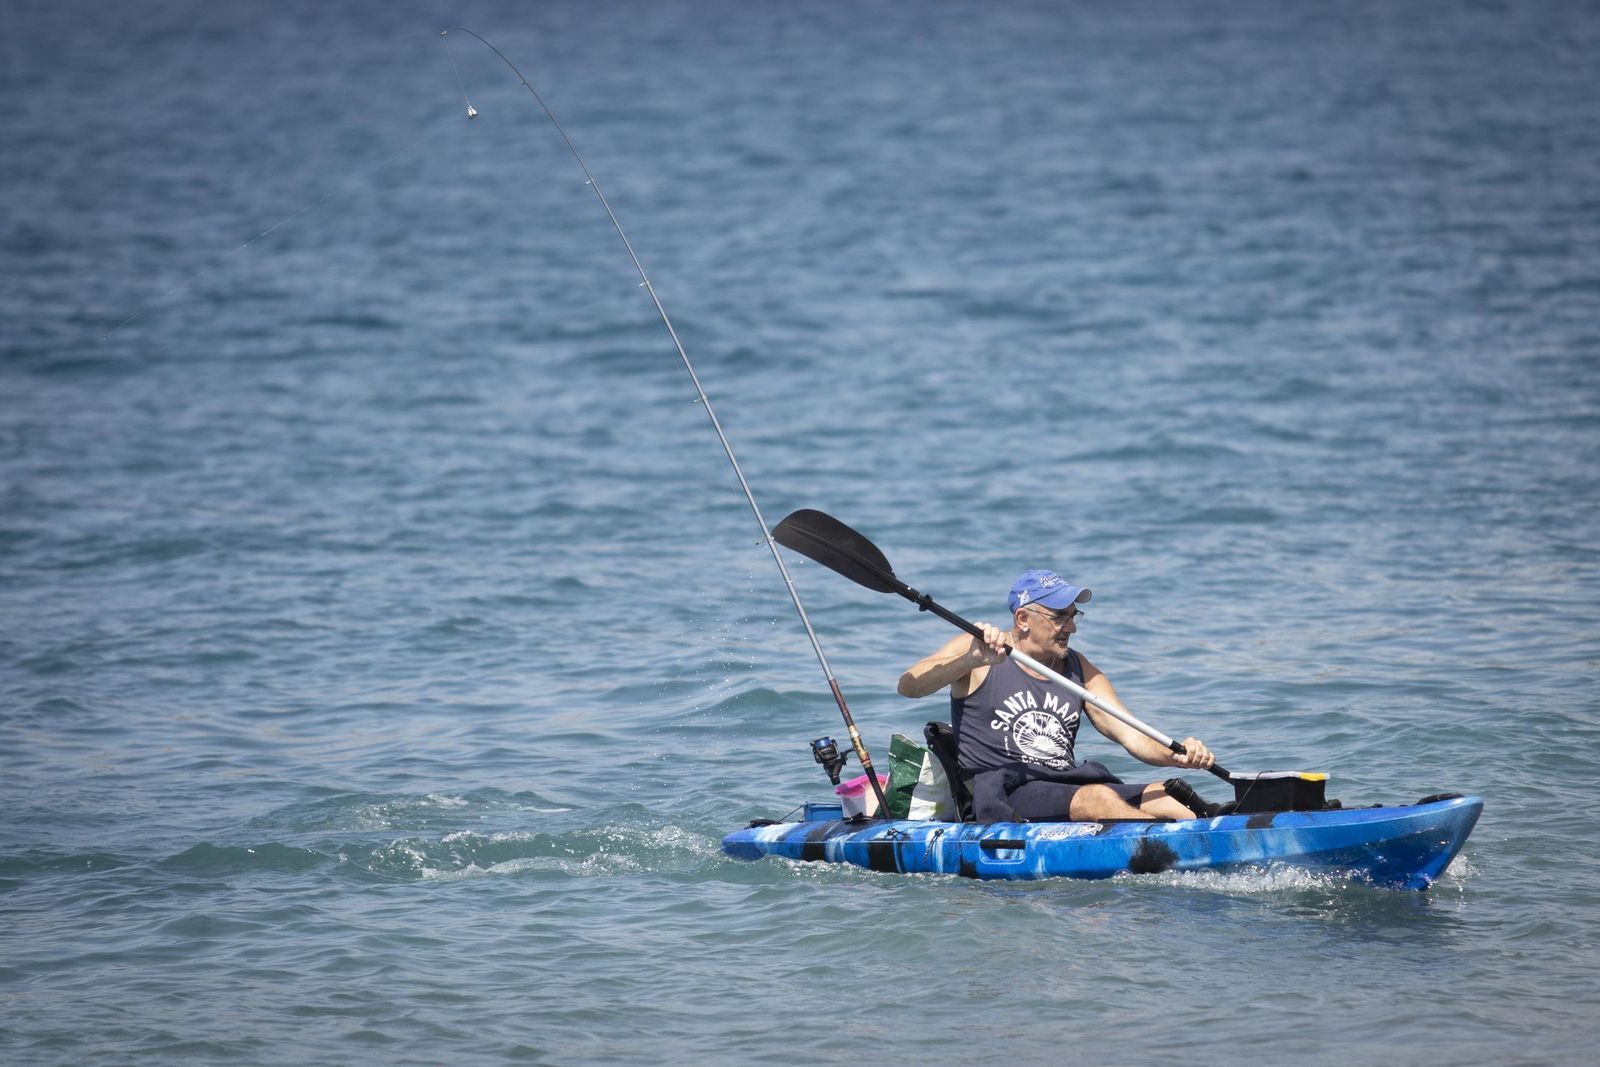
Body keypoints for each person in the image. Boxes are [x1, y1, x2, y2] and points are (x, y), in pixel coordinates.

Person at [897, 569, 1214, 822]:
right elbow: (909, 685)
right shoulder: (979, 648)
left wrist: (1177, 755)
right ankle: (1162, 852)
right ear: (1023, 619)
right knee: (1099, 799)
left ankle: (1201, 845)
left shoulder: (1080, 668)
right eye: (1060, 617)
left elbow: (1132, 733)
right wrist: (969, 660)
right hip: (1003, 792)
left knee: (1167, 795)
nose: (1071, 628)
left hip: (1064, 785)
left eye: (1073, 616)